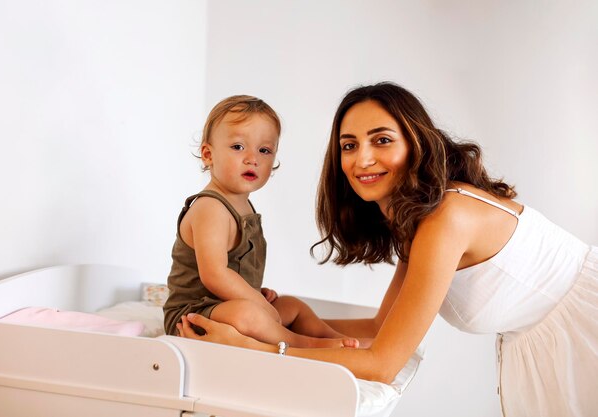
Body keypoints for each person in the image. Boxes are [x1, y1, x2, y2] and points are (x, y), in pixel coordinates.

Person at [177, 83, 598, 417]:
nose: (362, 159)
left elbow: (383, 363)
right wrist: (299, 320)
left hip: (584, 335)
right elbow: (383, 327)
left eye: (381, 140)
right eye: (349, 145)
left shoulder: (445, 219)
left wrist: (262, 349)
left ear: (416, 142)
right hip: (550, 348)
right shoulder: (422, 219)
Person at [163, 94, 358, 349]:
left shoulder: (242, 205)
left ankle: (335, 339)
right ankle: (303, 344)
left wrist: (257, 292)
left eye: (264, 150)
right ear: (208, 155)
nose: (252, 158)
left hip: (227, 306)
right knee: (248, 315)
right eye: (238, 147)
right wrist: (256, 302)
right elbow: (214, 275)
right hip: (193, 316)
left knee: (292, 306)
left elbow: (237, 268)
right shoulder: (210, 208)